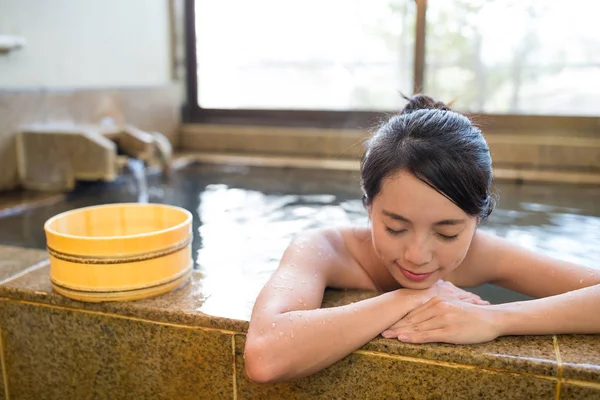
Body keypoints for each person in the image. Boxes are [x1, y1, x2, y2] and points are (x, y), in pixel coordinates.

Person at [243, 94, 600, 383]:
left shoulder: (484, 255)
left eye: (447, 233)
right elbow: (264, 354)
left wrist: (497, 320)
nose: (417, 255)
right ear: (368, 206)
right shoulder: (324, 248)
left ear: (478, 219)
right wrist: (407, 299)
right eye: (395, 228)